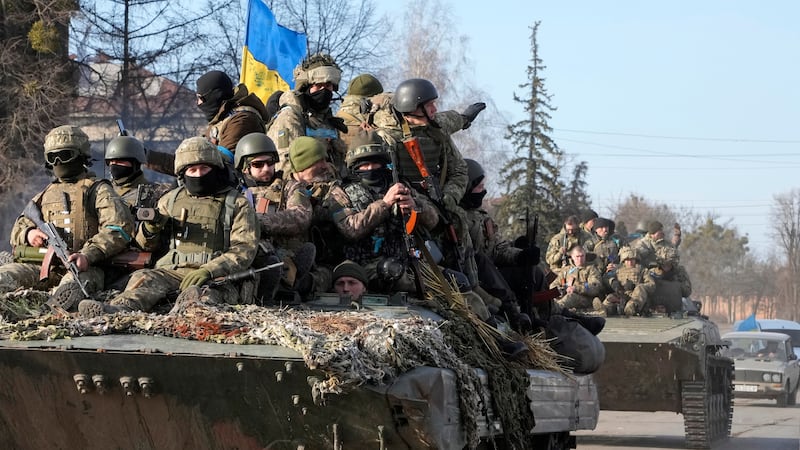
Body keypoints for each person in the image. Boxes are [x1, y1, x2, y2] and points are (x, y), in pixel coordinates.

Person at [77, 137, 258, 317]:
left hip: (217, 278)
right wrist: (151, 229)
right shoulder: (169, 200)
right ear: (182, 173)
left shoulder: (236, 203)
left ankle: (186, 312)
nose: (199, 175)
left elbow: (244, 250)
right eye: (192, 170)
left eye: (204, 168)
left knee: (202, 299)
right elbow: (145, 246)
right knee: (143, 279)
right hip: (172, 272)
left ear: (216, 169)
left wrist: (209, 270)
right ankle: (115, 311)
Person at [0, 125, 134, 308]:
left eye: (65, 156)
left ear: (81, 156)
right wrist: (29, 234)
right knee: (5, 277)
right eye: (52, 157)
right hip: (45, 266)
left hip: (87, 268)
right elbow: (19, 227)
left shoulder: (98, 190)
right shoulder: (46, 194)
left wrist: (87, 255)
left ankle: (49, 310)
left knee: (68, 291)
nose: (58, 162)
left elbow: (119, 228)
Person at [375, 78, 479, 287]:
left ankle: (472, 287)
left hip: (439, 201)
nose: (435, 109)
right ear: (414, 108)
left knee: (460, 222)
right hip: (407, 203)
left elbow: (459, 169)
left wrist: (448, 198)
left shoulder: (436, 130)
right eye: (430, 104)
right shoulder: (387, 137)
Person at [329, 132, 439, 294]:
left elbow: (433, 220)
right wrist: (385, 204)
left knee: (455, 282)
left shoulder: (399, 185)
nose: (370, 169)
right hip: (359, 269)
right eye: (364, 165)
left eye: (375, 163)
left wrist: (415, 206)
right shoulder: (340, 193)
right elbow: (350, 229)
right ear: (354, 166)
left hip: (403, 260)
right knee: (398, 276)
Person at [234, 132, 315, 301]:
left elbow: (301, 216)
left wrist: (259, 222)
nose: (266, 168)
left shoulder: (289, 187)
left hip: (281, 254)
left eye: (270, 162)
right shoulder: (233, 192)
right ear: (245, 167)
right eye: (258, 164)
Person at [267, 53, 348, 178]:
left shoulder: (328, 120)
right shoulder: (290, 117)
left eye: (328, 86)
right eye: (318, 86)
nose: (324, 90)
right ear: (306, 86)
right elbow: (285, 166)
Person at [196, 70, 269, 153]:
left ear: (216, 95)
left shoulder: (242, 119)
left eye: (201, 98)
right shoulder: (220, 120)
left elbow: (226, 161)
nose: (198, 103)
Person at [603, 246, 656, 316]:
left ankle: (631, 308)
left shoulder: (642, 270)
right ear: (623, 261)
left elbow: (651, 285)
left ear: (636, 259)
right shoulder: (618, 269)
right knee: (610, 298)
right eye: (627, 260)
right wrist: (612, 281)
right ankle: (605, 309)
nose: (630, 262)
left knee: (640, 289)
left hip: (636, 297)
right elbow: (605, 278)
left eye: (632, 260)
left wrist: (638, 287)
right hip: (622, 295)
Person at [552, 244, 603, 313]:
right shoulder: (566, 270)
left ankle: (555, 310)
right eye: (577, 256)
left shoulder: (591, 269)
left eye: (582, 256)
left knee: (570, 297)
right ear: (572, 257)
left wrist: (576, 288)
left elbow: (595, 286)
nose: (580, 259)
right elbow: (554, 284)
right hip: (564, 296)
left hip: (584, 298)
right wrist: (560, 290)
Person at [648, 245, 691, 314]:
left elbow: (687, 292)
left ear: (673, 263)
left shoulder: (679, 272)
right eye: (664, 264)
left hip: (674, 312)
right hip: (654, 311)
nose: (666, 267)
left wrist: (677, 283)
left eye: (669, 264)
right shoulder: (651, 272)